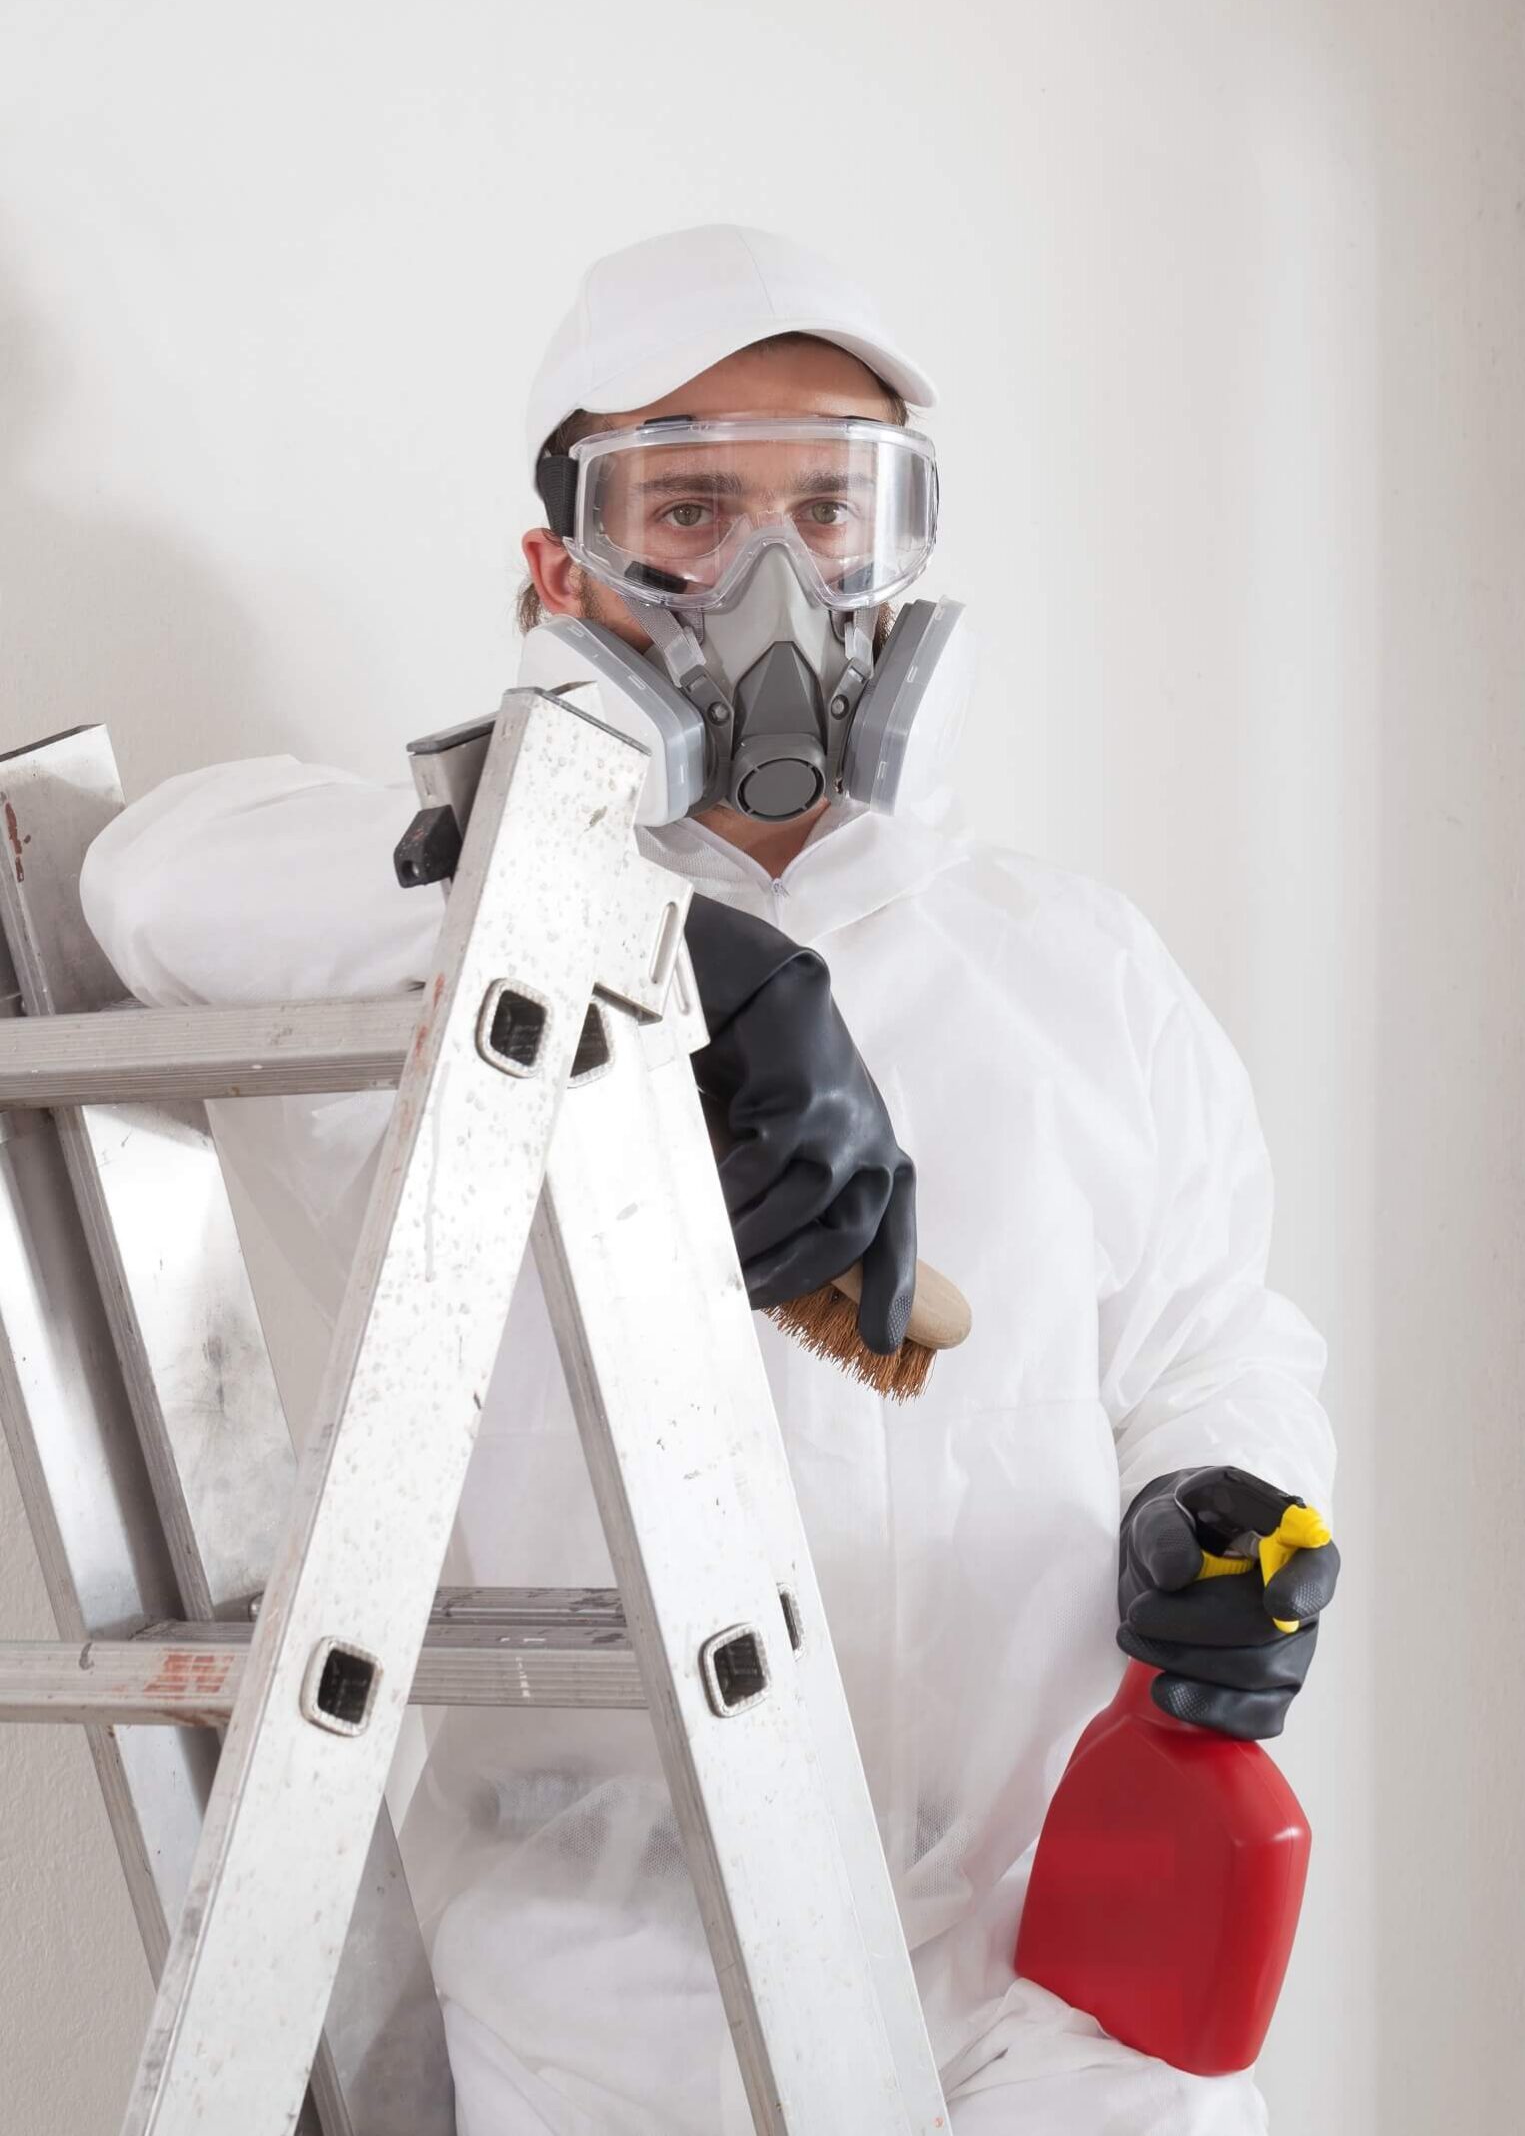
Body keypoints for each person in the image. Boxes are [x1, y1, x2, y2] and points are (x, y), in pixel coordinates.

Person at [78, 224, 1341, 2136]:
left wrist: (1228, 1507)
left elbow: (1216, 1342)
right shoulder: (420, 939)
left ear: (910, 551)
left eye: (834, 507)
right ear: (554, 565)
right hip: (605, 2006)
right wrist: (625, 940)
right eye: (683, 503)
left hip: (1060, 1995)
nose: (770, 576)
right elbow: (149, 878)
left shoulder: (1076, 974)